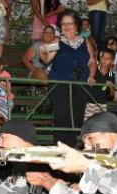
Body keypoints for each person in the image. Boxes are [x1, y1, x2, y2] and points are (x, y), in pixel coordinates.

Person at [40, 9, 96, 146]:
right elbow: (46, 58)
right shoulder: (58, 41)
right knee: (62, 116)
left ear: (76, 25)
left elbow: (92, 61)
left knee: (77, 118)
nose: (66, 27)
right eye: (63, 24)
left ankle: (70, 147)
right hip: (60, 84)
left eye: (70, 23)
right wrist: (43, 50)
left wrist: (91, 76)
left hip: (80, 84)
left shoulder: (86, 41)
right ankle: (60, 148)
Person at [83, 47, 117, 120]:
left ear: (112, 61)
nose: (104, 60)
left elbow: (112, 94)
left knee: (100, 125)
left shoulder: (111, 74)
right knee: (87, 124)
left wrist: (111, 87)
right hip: (89, 103)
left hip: (102, 104)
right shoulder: (93, 69)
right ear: (100, 57)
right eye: (103, 57)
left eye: (108, 58)